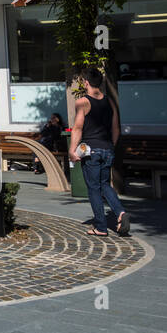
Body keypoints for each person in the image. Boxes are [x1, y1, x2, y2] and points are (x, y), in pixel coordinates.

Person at [69, 68, 129, 236]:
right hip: (107, 149)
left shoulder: (83, 102)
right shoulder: (110, 102)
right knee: (104, 184)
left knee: (94, 188)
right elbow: (116, 128)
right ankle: (120, 212)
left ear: (86, 82)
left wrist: (72, 150)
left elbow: (78, 127)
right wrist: (111, 146)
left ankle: (101, 227)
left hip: (91, 150)